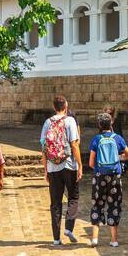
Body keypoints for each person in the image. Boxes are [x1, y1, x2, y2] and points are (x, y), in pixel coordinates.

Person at [41, 96, 82, 245]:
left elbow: (43, 147)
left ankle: (56, 238)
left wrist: (46, 169)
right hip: (69, 165)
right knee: (73, 197)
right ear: (66, 106)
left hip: (53, 166)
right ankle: (69, 227)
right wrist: (80, 165)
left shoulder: (47, 122)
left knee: (55, 203)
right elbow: (74, 145)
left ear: (54, 107)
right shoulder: (70, 121)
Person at [87, 113, 128, 247]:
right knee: (114, 204)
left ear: (99, 125)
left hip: (100, 176)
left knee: (97, 203)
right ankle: (114, 240)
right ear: (111, 124)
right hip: (115, 176)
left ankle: (95, 238)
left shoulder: (96, 139)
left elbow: (90, 162)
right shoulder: (118, 138)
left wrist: (99, 169)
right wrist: (117, 159)